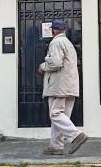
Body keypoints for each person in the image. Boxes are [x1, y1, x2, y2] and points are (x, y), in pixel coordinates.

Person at [37, 19, 88, 156]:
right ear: (64, 30)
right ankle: (56, 146)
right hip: (70, 85)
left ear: (53, 30)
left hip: (58, 85)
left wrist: (43, 66)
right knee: (62, 116)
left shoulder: (56, 42)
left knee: (55, 114)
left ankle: (76, 135)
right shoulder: (68, 43)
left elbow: (55, 63)